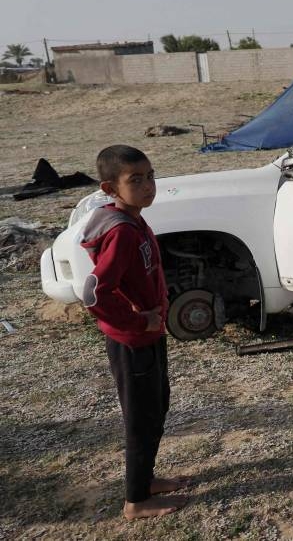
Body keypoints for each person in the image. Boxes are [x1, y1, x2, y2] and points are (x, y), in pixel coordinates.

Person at [80, 145, 190, 519]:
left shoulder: (135, 218)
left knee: (156, 408)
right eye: (136, 180)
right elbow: (94, 292)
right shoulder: (122, 232)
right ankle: (135, 502)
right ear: (110, 188)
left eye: (151, 176)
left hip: (149, 334)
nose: (148, 186)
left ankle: (145, 481)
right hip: (133, 341)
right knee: (141, 419)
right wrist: (137, 321)